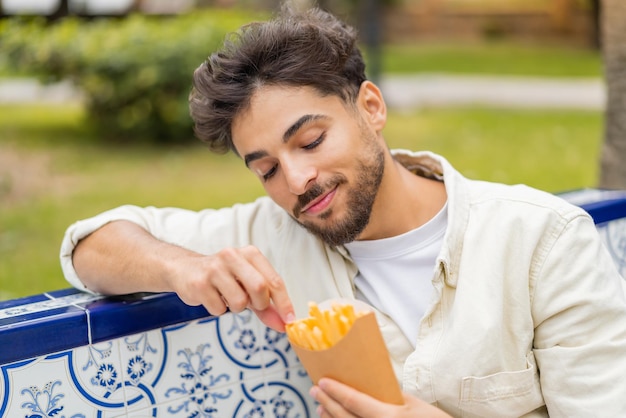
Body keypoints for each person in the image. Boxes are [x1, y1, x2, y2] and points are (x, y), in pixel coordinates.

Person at [60, 4, 626, 418]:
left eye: (309, 141)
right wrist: (180, 268)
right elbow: (90, 243)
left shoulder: (542, 242)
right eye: (266, 169)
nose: (298, 180)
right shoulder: (274, 233)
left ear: (371, 108)